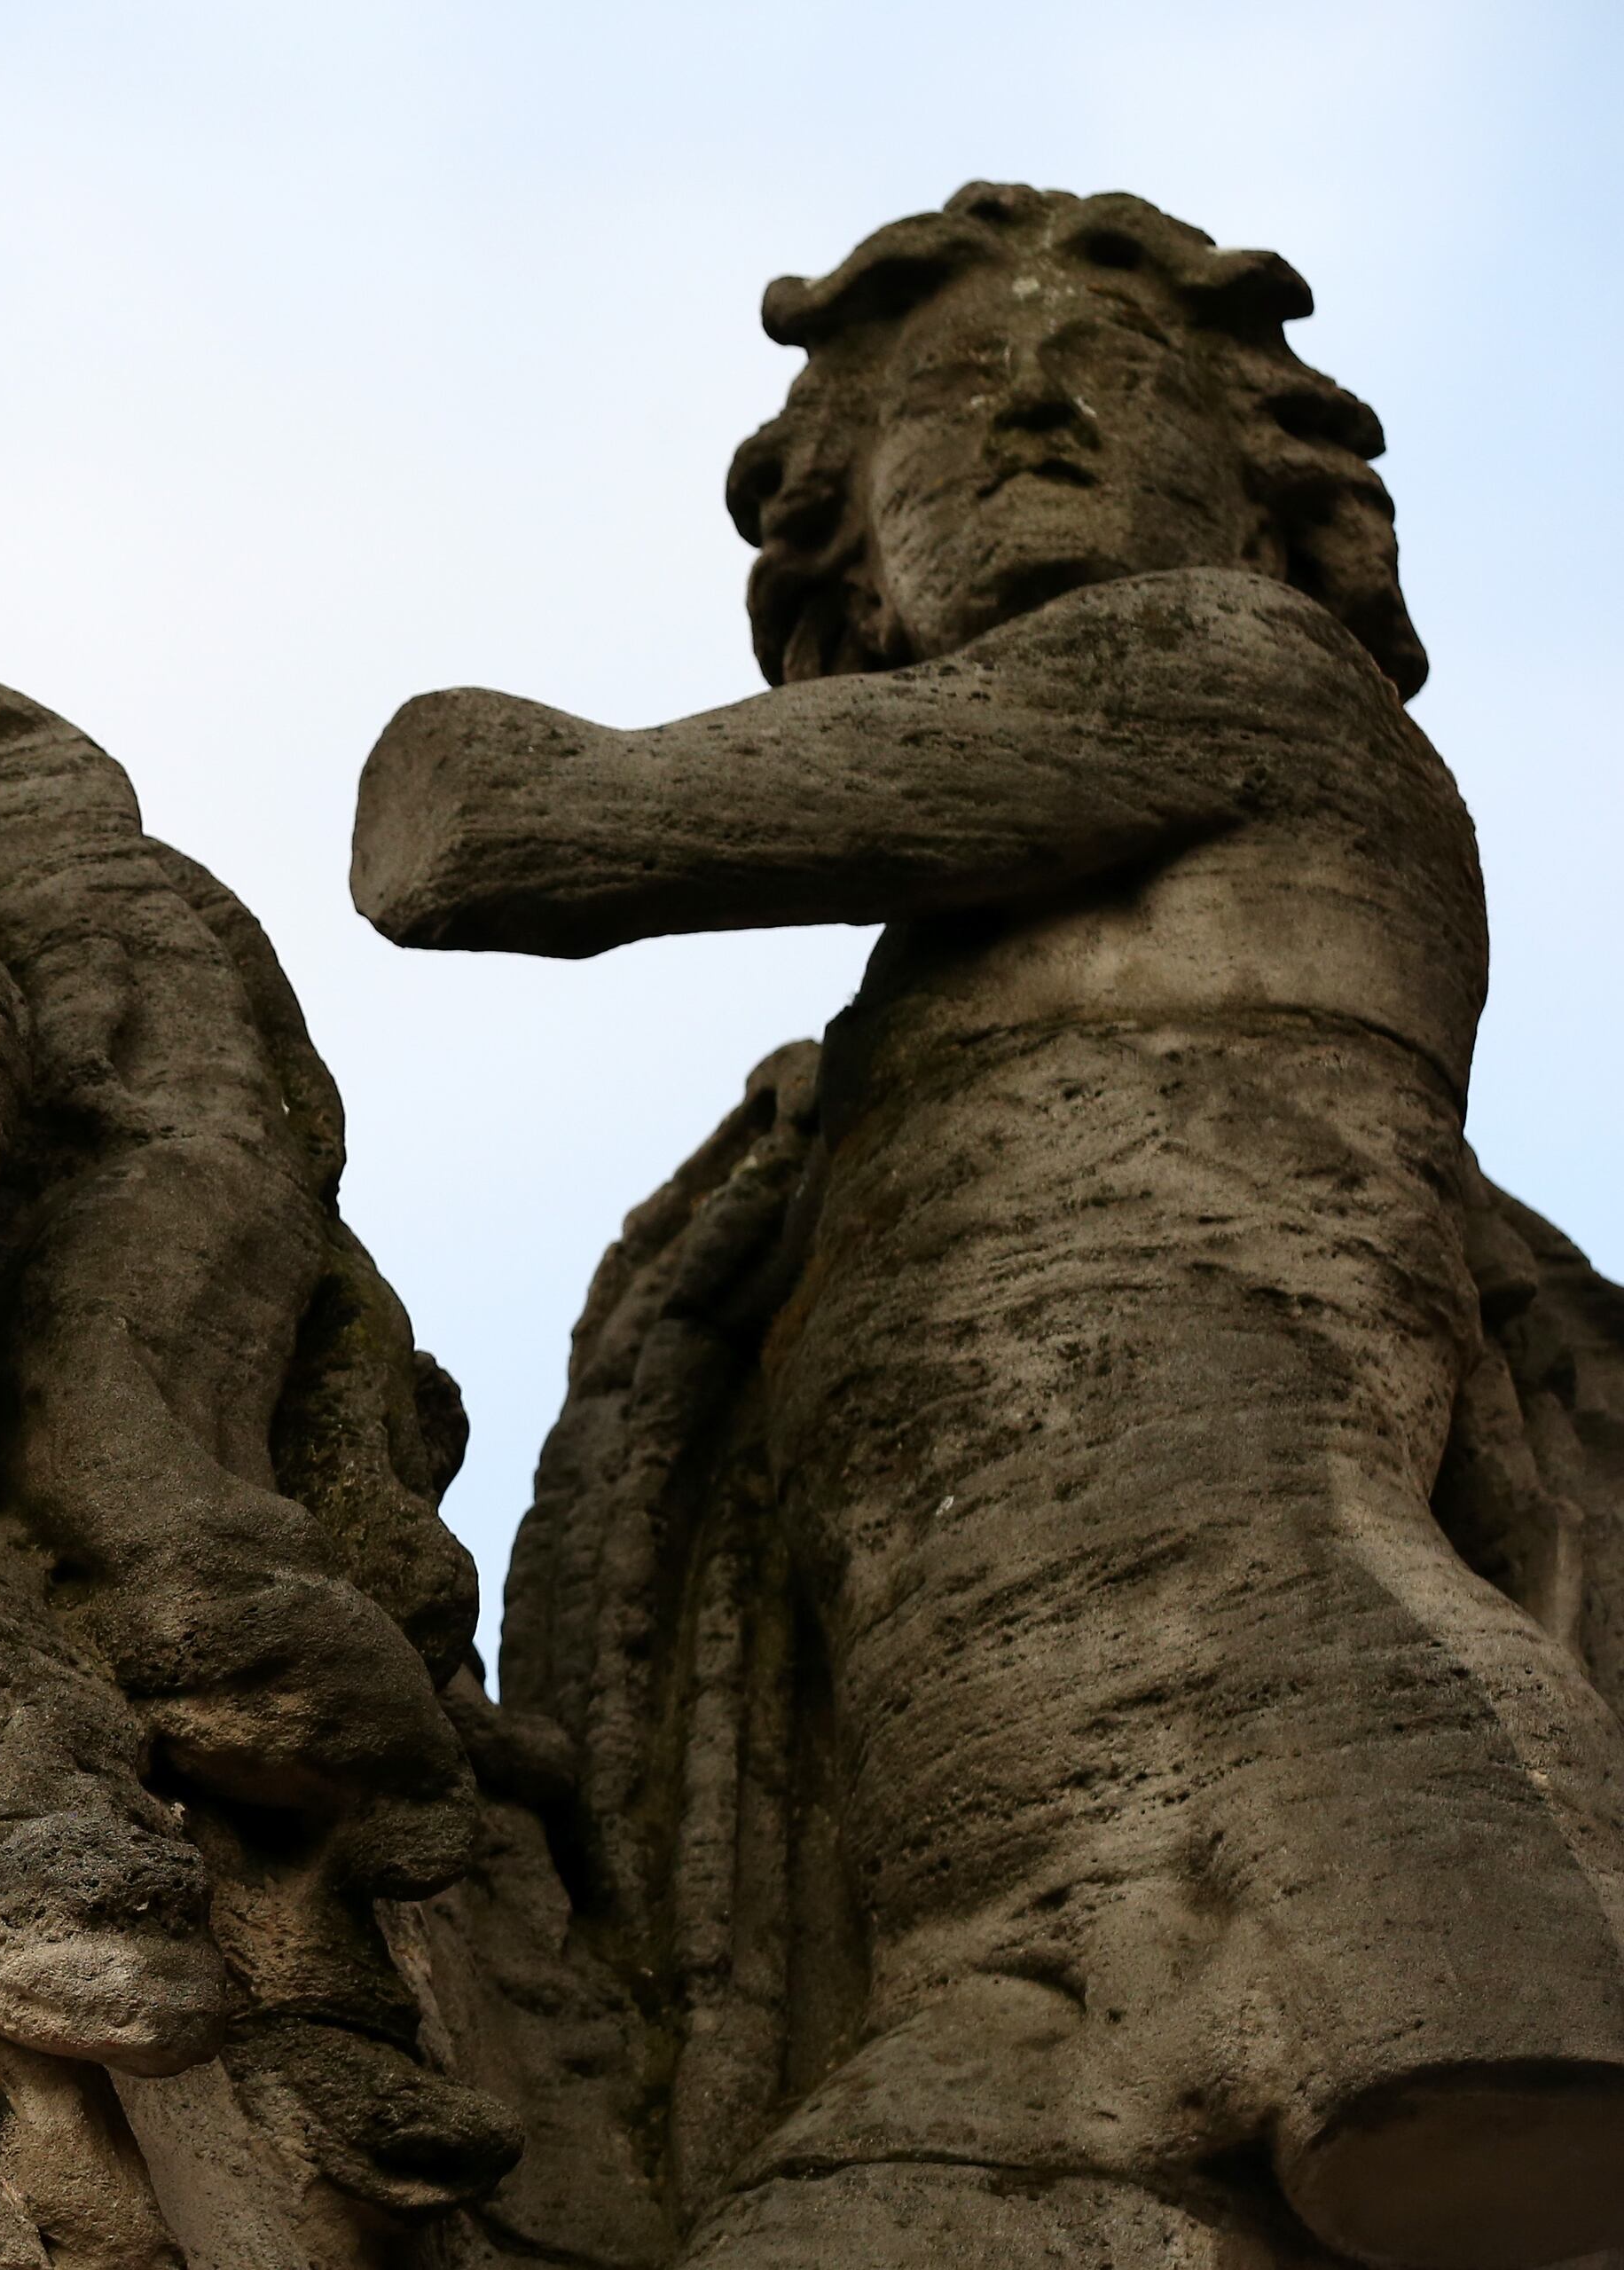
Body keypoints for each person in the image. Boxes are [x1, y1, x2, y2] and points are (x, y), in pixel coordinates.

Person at [353, 183, 1624, 2270]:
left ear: (1266, 493)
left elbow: (510, 832)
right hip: (1006, 1905)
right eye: (951, 395)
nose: (1033, 410)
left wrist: (444, 736)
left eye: (1109, 376)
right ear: (839, 542)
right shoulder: (857, 1088)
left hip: (1286, 1761)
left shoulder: (1227, 664)